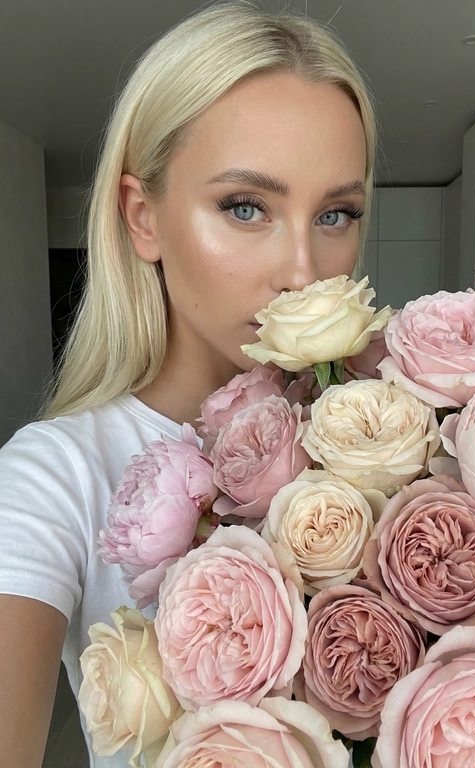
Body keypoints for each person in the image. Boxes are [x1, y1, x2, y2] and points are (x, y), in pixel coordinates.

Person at [0, 1, 376, 765]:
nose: (302, 272)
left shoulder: (401, 435)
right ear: (143, 218)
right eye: (246, 207)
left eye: (335, 214)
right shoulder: (53, 475)